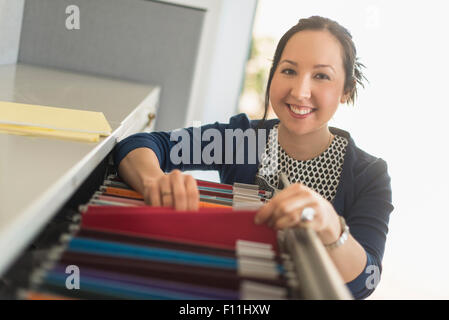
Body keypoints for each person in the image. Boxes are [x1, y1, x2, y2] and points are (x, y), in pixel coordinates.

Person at [113, 16, 394, 299]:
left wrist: (331, 225)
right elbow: (140, 143)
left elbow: (365, 282)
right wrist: (154, 180)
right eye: (288, 71)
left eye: (321, 76)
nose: (299, 91)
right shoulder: (243, 140)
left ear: (346, 89)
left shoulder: (369, 175)